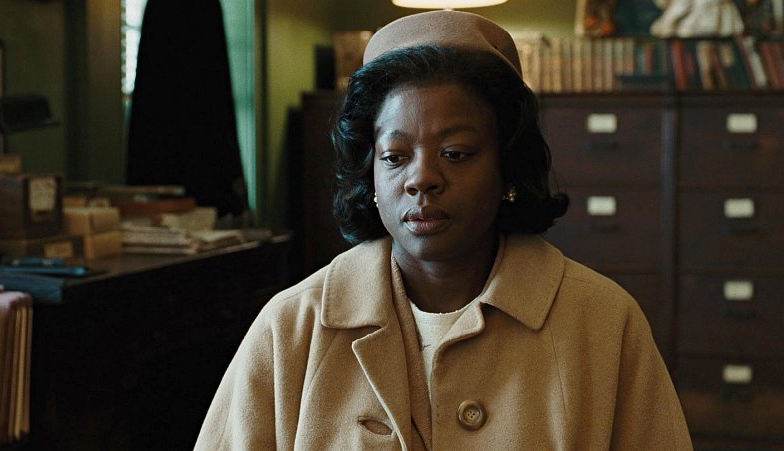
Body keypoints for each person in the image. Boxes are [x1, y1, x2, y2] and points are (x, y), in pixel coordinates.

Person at [195, 10, 692, 450]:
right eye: (394, 157)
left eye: (455, 153)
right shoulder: (291, 327)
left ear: (508, 169)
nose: (421, 179)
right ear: (370, 174)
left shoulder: (605, 324)